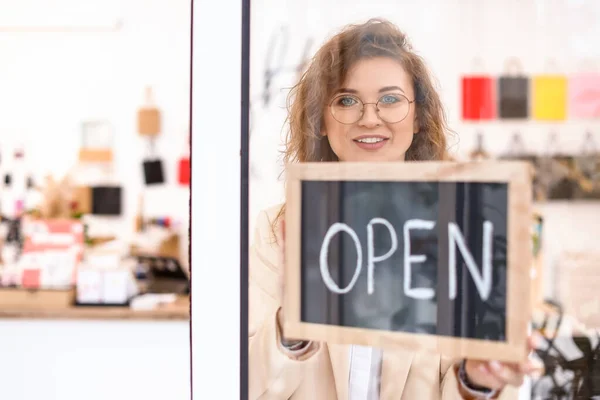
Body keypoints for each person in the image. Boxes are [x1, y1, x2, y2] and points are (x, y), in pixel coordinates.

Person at [249, 18, 540, 399]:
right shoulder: (278, 230)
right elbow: (246, 384)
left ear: (418, 116)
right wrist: (291, 327)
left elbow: (476, 376)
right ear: (320, 119)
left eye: (390, 99)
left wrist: (476, 380)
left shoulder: (463, 232)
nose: (370, 118)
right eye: (346, 100)